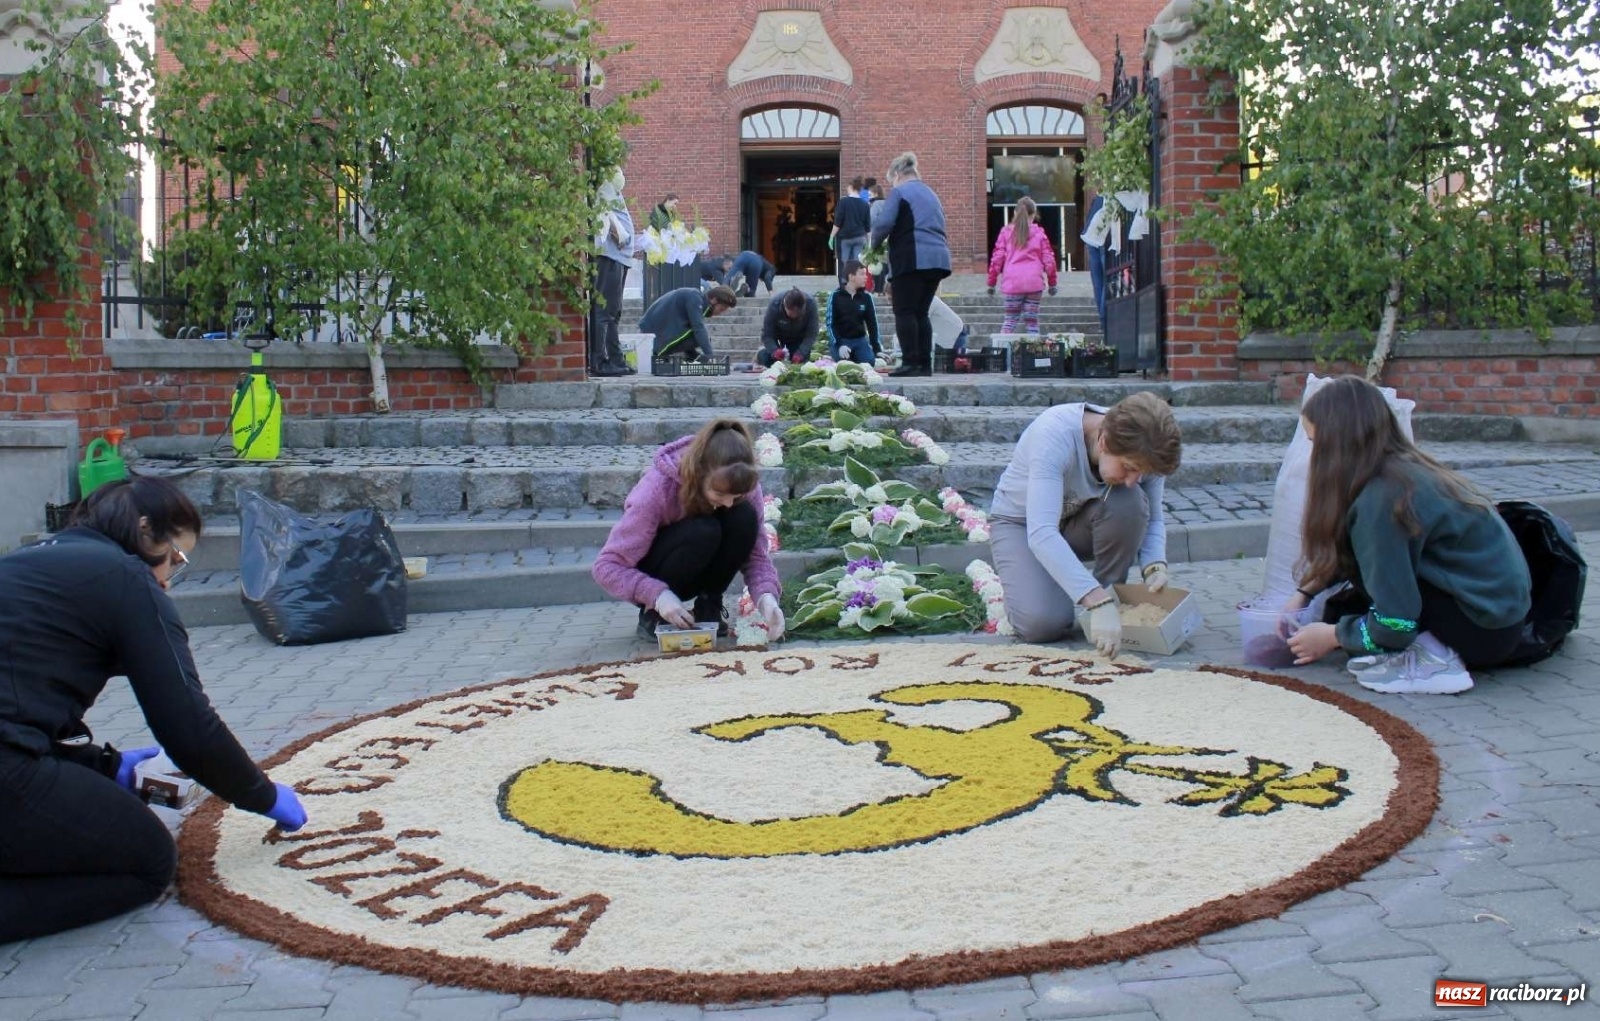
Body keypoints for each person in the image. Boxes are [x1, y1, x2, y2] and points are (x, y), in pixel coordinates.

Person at [0, 476, 307, 943]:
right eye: (177, 560)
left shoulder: (27, 563)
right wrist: (262, 796)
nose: (168, 579)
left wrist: (107, 767)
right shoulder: (126, 578)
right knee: (147, 861)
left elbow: (20, 712)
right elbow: (187, 725)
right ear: (146, 532)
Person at [1284, 376, 1532, 694]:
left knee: (1367, 622)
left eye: (1315, 443)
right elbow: (1359, 554)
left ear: (1339, 444)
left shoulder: (1382, 499)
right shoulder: (1399, 470)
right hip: (1499, 616)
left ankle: (1433, 659)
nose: (1312, 455)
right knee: (1344, 610)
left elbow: (1395, 622)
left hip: (1482, 630)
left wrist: (1332, 636)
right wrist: (1303, 594)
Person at [987, 393, 1183, 652]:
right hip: (1022, 526)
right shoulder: (1055, 435)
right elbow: (1042, 532)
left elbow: (1154, 517)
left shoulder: (1146, 446)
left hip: (1078, 523)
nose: (1133, 479)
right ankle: (1091, 601)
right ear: (1103, 440)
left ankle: (1108, 598)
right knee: (1042, 624)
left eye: (1142, 472)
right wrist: (1095, 601)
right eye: (1128, 467)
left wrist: (1155, 565)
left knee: (1130, 501)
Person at [593, 419, 787, 642]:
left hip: (704, 567)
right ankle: (654, 614)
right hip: (658, 572)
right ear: (699, 475)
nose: (728, 503)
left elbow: (756, 556)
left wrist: (766, 598)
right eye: (719, 495)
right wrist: (657, 596)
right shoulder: (656, 490)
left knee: (743, 516)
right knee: (704, 529)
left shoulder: (742, 485)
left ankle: (709, 604)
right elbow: (606, 566)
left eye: (735, 497)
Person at [869, 152, 951, 377]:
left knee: (904, 311)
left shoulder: (900, 192)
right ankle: (924, 364)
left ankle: (910, 363)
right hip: (939, 258)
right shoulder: (931, 193)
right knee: (921, 313)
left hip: (913, 256)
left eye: (891, 180)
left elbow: (884, 223)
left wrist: (873, 246)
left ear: (897, 175)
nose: (892, 184)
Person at [589, 169, 638, 377]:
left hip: (619, 258)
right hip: (610, 256)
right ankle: (599, 361)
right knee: (604, 311)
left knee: (614, 312)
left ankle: (616, 359)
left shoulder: (614, 191)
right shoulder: (605, 188)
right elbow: (602, 212)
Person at [987, 196, 1058, 335]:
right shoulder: (1039, 233)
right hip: (1034, 283)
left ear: (1014, 212)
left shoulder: (1006, 232)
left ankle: (1003, 353)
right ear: (1034, 214)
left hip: (1012, 283)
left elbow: (997, 258)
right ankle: (1033, 355)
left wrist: (991, 282)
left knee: (1010, 320)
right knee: (1032, 322)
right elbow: (1049, 260)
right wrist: (1052, 283)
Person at [639, 285, 737, 363]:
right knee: (700, 336)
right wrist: (711, 357)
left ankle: (691, 355)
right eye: (721, 309)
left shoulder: (695, 296)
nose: (720, 313)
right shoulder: (694, 297)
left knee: (699, 335)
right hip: (651, 333)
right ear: (714, 300)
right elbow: (697, 328)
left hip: (656, 329)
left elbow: (686, 329)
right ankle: (659, 354)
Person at [825, 260, 880, 364]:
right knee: (844, 363)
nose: (866, 277)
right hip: (841, 340)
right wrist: (839, 344)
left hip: (859, 340)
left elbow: (872, 324)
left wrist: (877, 349)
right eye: (862, 274)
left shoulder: (866, 297)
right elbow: (830, 324)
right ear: (851, 276)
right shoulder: (836, 296)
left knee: (869, 362)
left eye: (866, 274)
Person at [758, 287, 820, 367]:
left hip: (799, 338)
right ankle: (760, 354)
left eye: (798, 315)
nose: (794, 317)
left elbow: (811, 334)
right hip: (779, 335)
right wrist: (774, 350)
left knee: (801, 363)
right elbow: (767, 334)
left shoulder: (811, 304)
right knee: (770, 361)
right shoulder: (774, 305)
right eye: (791, 314)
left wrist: (801, 352)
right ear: (785, 306)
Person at [828, 180, 873, 287]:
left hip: (845, 238)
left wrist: (831, 236)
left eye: (848, 187)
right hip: (860, 237)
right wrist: (869, 242)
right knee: (857, 263)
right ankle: (857, 285)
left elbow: (838, 222)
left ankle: (844, 285)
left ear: (852, 187)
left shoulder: (843, 202)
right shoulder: (865, 204)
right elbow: (868, 226)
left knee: (844, 262)